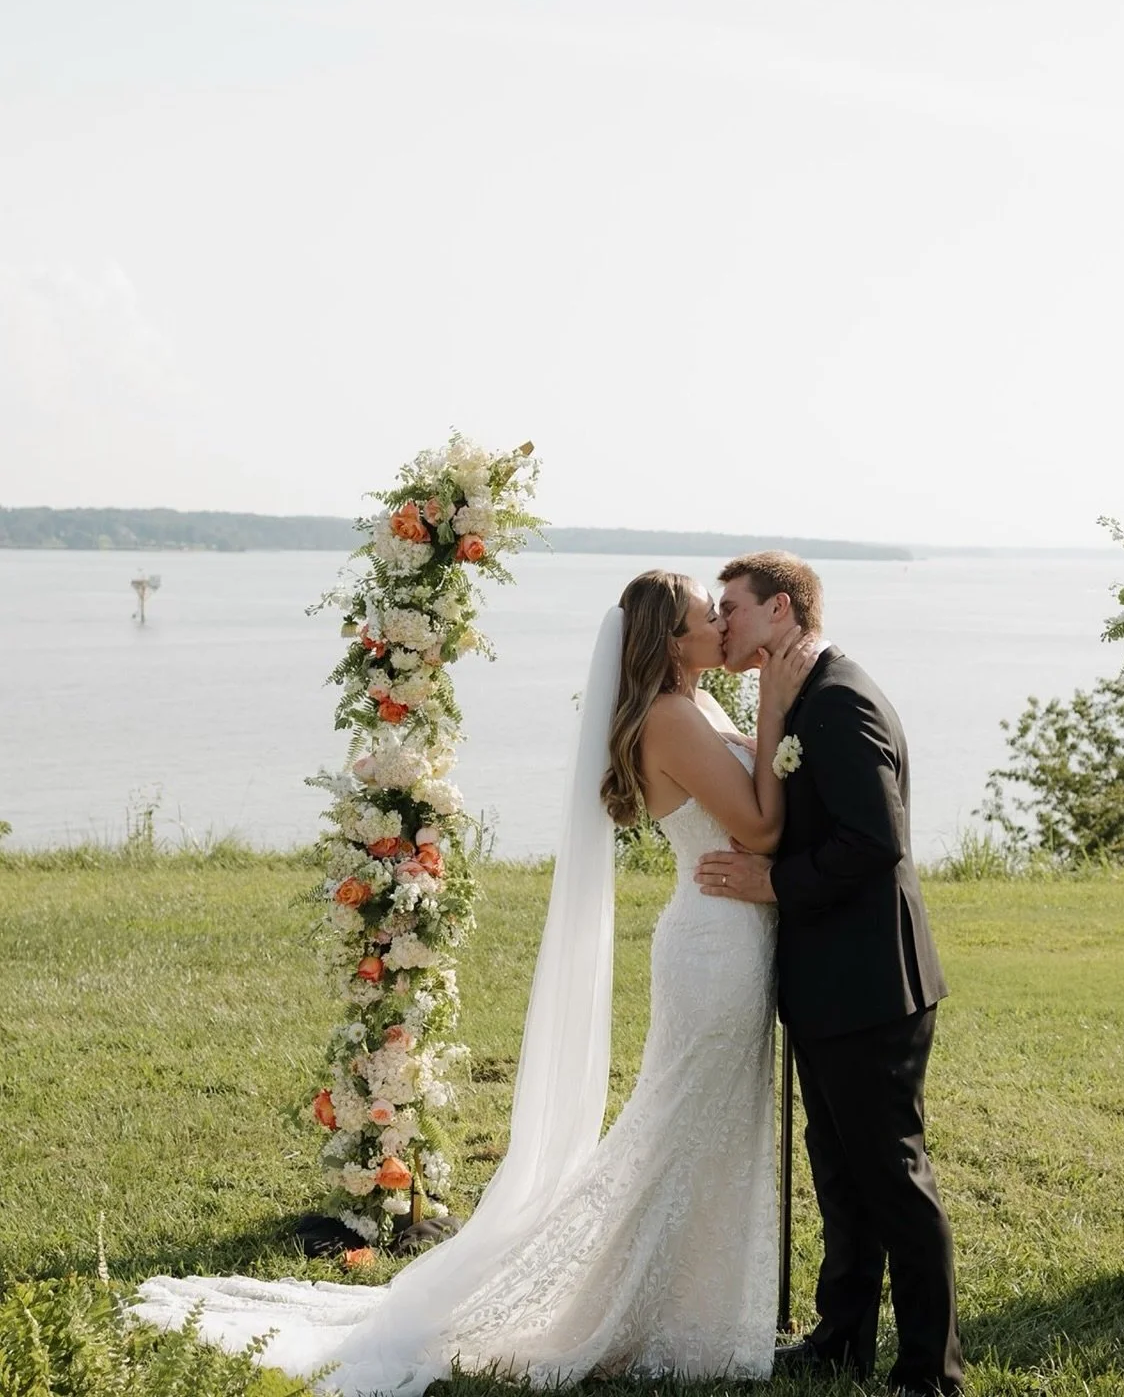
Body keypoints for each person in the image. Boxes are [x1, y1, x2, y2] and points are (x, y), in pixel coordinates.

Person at [134, 570, 816, 1394]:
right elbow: (762, 824)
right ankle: (636, 1312)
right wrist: (775, 709)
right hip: (713, 948)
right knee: (678, 1128)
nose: (724, 623)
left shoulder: (700, 705)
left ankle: (694, 1310)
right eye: (711, 615)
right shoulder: (671, 719)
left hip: (735, 934)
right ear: (674, 642)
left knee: (707, 1127)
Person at [697, 551, 965, 1397]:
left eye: (731, 607)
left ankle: (931, 1370)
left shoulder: (840, 702)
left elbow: (876, 841)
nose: (721, 621)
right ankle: (841, 1337)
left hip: (870, 984)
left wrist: (773, 882)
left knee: (891, 1175)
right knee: (840, 1171)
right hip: (830, 981)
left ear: (781, 612)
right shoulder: (802, 696)